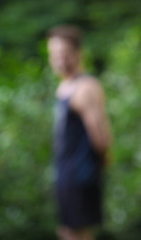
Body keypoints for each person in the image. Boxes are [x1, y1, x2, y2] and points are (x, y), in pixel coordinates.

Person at [47, 25, 112, 240]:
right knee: (67, 231)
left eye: (64, 54)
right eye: (54, 55)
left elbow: (101, 137)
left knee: (76, 233)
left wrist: (101, 160)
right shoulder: (65, 86)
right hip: (67, 172)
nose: (59, 60)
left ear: (78, 53)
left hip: (80, 174)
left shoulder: (84, 87)